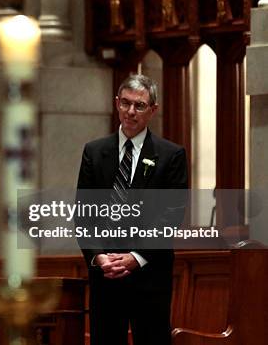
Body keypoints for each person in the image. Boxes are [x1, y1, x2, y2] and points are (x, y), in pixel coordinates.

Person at [75, 74, 188, 345]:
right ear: (116, 103)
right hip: (106, 276)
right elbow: (83, 214)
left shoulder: (170, 155)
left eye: (139, 105)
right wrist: (98, 257)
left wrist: (136, 257)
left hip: (149, 276)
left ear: (153, 110)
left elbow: (171, 215)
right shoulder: (94, 151)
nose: (130, 111)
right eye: (125, 103)